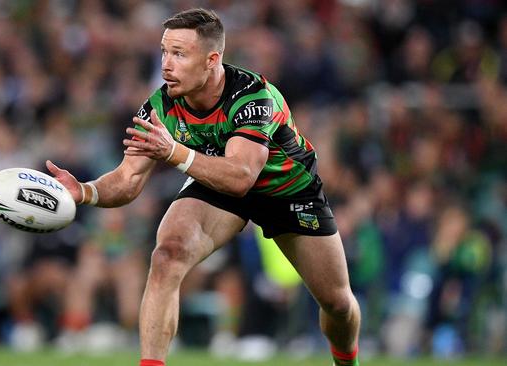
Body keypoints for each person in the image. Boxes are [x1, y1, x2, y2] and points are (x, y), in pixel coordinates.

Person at [47, 8, 361, 366]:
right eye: (164, 52)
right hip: (217, 183)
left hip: (286, 190)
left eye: (179, 54)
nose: (166, 64)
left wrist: (175, 152)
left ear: (212, 59)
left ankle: (347, 361)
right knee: (167, 255)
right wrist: (85, 191)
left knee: (337, 304)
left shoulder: (253, 96)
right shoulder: (161, 104)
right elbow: (129, 178)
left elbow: (242, 176)